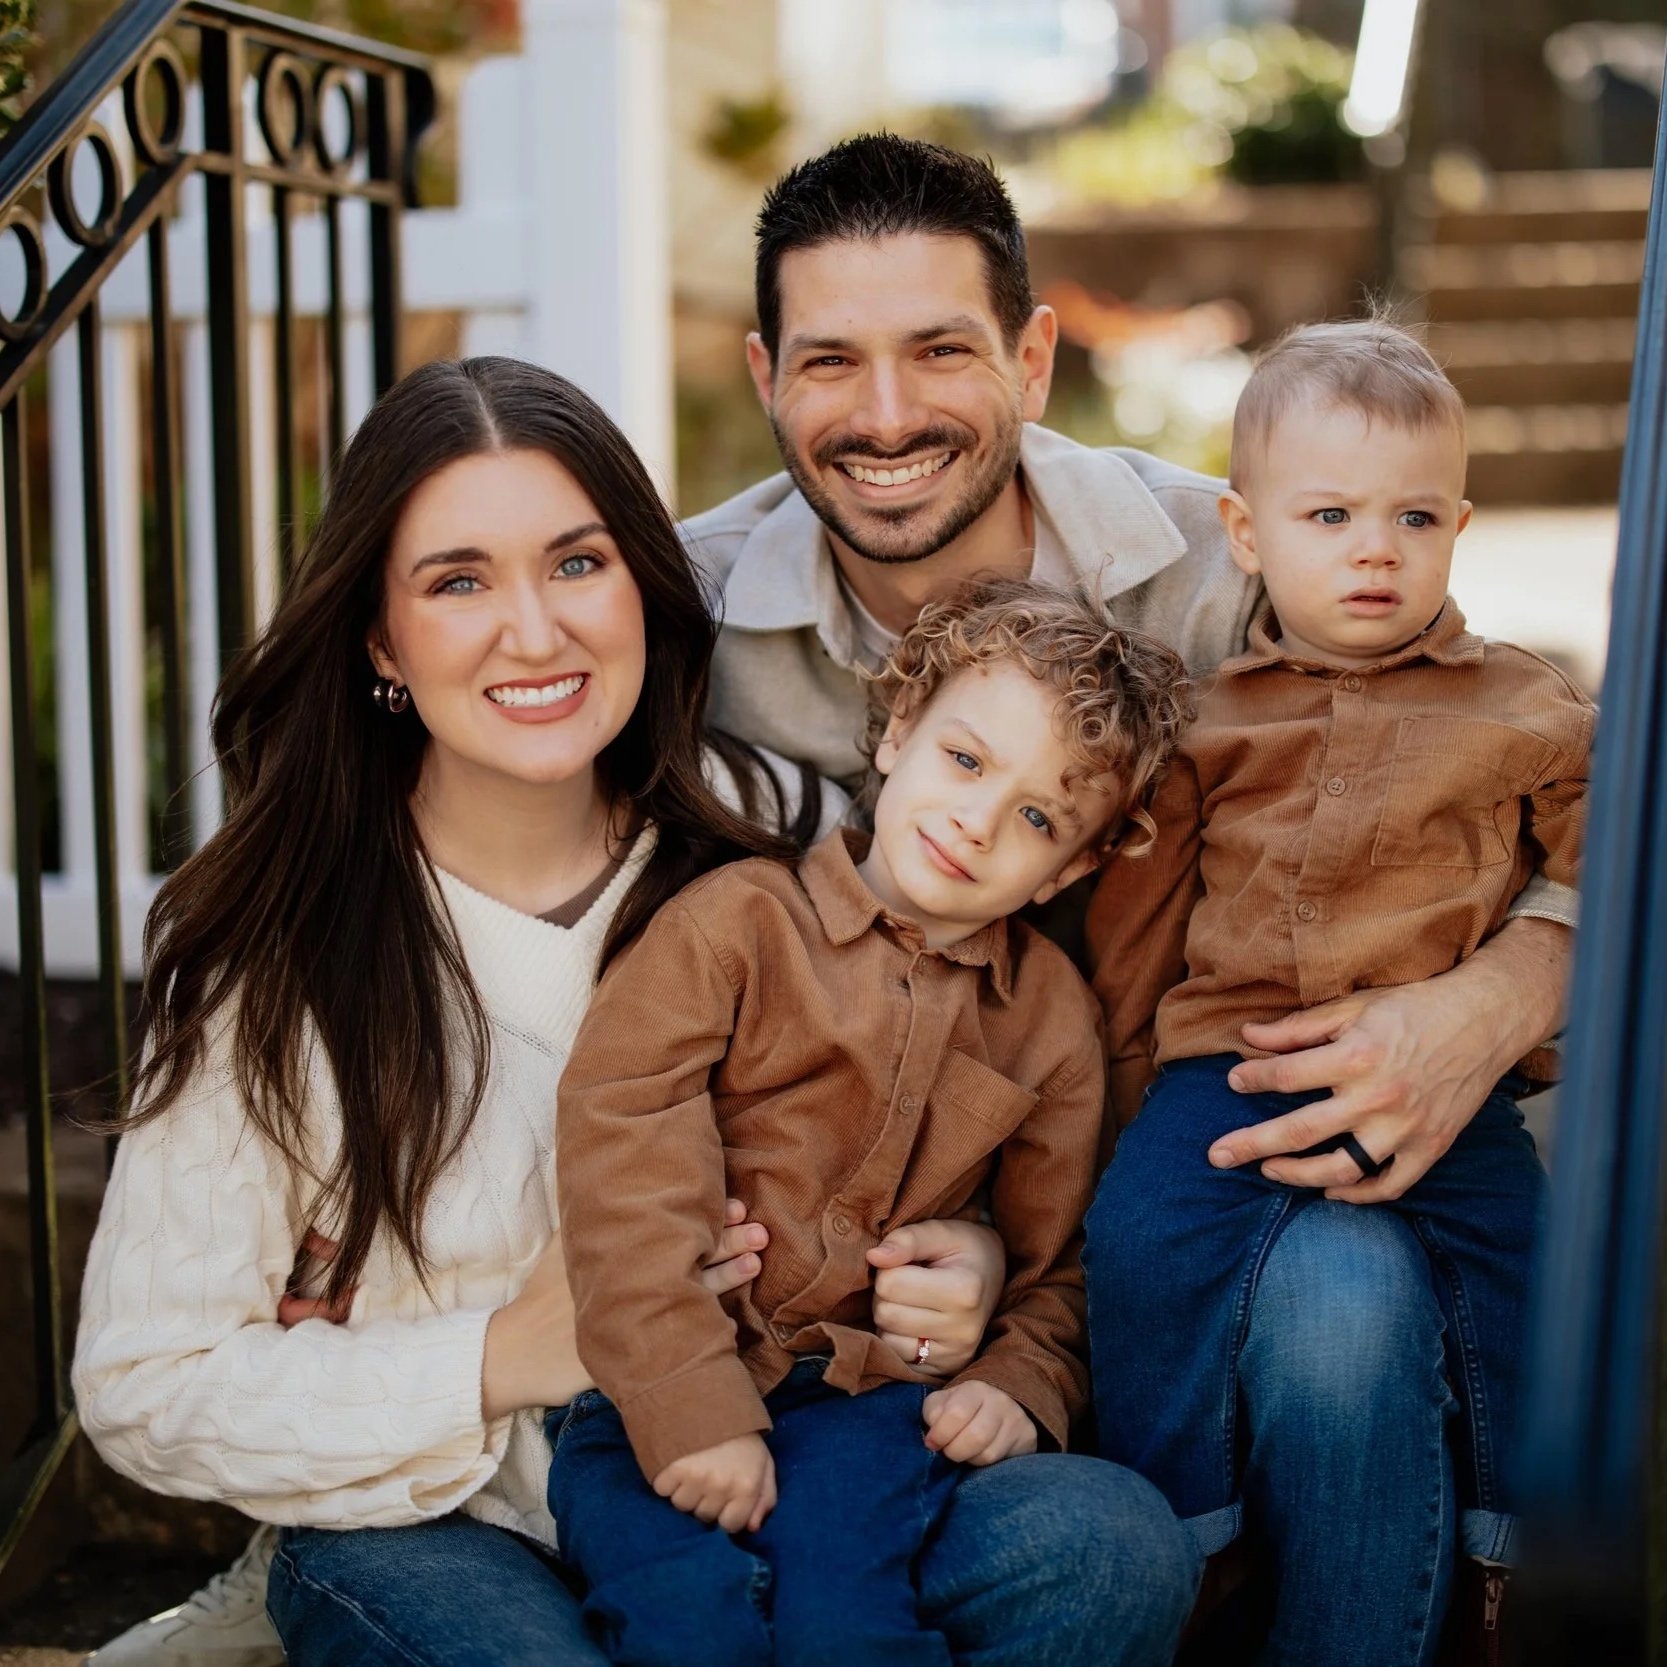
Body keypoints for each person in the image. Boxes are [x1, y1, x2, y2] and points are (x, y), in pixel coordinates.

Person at [73, 356, 1198, 1667]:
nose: (534, 630)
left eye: (575, 562)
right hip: (451, 1518)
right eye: (457, 581)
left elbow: (937, 1093)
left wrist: (969, 1260)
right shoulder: (273, 951)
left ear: (642, 587)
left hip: (784, 1466)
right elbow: (145, 1386)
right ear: (382, 640)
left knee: (1101, 1541)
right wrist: (507, 1348)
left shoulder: (774, 830)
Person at [676, 133, 1581, 1652]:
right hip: (910, 1250)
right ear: (765, 371)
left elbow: (1487, 763)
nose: (884, 414)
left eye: (940, 350)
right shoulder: (682, 622)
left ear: (1034, 358)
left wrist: (1501, 992)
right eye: (831, 360)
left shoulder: (1238, 565)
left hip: (1205, 1127)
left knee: (1349, 1292)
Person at [548, 581, 1190, 1665]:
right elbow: (621, 1151)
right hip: (656, 1388)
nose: (975, 821)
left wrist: (1015, 1377)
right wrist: (688, 1400)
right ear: (899, 733)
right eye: (965, 760)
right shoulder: (734, 923)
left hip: (869, 1408)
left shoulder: (1046, 1021)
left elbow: (1067, 1259)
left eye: (1037, 817)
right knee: (685, 1620)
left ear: (1074, 866)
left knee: (846, 1623)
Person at [1083, 319, 1594, 1662]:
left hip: (1443, 1078)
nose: (1372, 547)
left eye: (1410, 515)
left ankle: (1499, 1560)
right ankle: (1193, 1529)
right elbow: (1139, 917)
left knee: (1518, 1272)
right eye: (1327, 514)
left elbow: (1607, 847)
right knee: (1139, 1242)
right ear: (1244, 535)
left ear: (1457, 525)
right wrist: (1123, 1066)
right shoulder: (1204, 719)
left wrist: (1530, 973)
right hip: (1227, 1065)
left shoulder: (1519, 706)